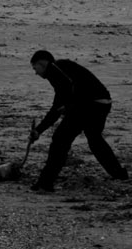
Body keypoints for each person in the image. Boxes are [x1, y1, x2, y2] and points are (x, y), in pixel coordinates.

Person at [29, 50, 128, 191]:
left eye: (35, 68)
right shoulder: (59, 70)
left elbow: (71, 89)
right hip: (103, 103)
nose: (35, 73)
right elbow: (58, 105)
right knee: (95, 140)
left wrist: (69, 106)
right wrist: (39, 130)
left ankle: (45, 182)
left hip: (89, 105)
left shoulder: (55, 68)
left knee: (60, 140)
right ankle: (119, 174)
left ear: (43, 63)